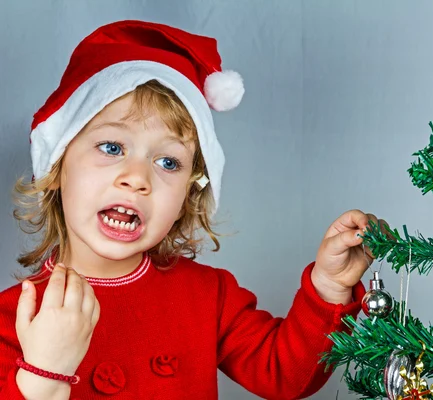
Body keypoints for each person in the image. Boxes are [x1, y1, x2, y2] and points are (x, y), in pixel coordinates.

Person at [0, 20, 386, 399]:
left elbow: (285, 374)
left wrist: (329, 288)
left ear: (189, 193)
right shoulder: (11, 317)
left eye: (168, 162)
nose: (137, 178)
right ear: (56, 165)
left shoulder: (207, 295)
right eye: (112, 147)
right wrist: (44, 374)